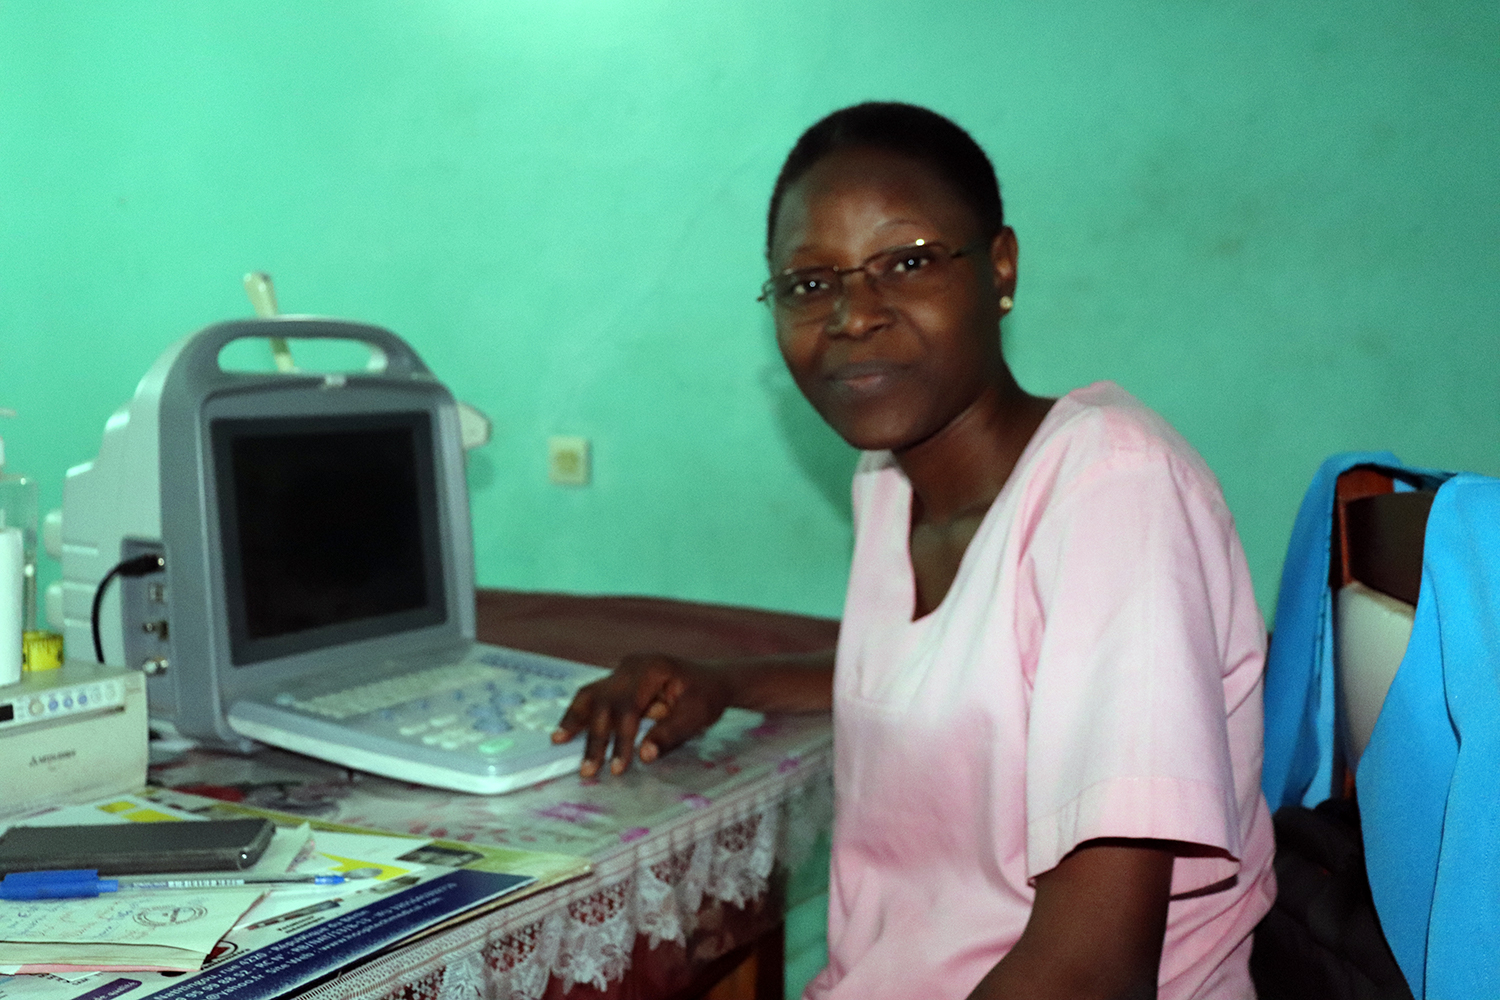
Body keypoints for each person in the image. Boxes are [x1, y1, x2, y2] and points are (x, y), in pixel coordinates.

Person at [553, 102, 1275, 1000]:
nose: (854, 315)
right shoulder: (888, 483)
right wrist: (724, 681)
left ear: (1000, 269)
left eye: (908, 262)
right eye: (808, 284)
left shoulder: (1111, 486)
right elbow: (949, 669)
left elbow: (1093, 971)